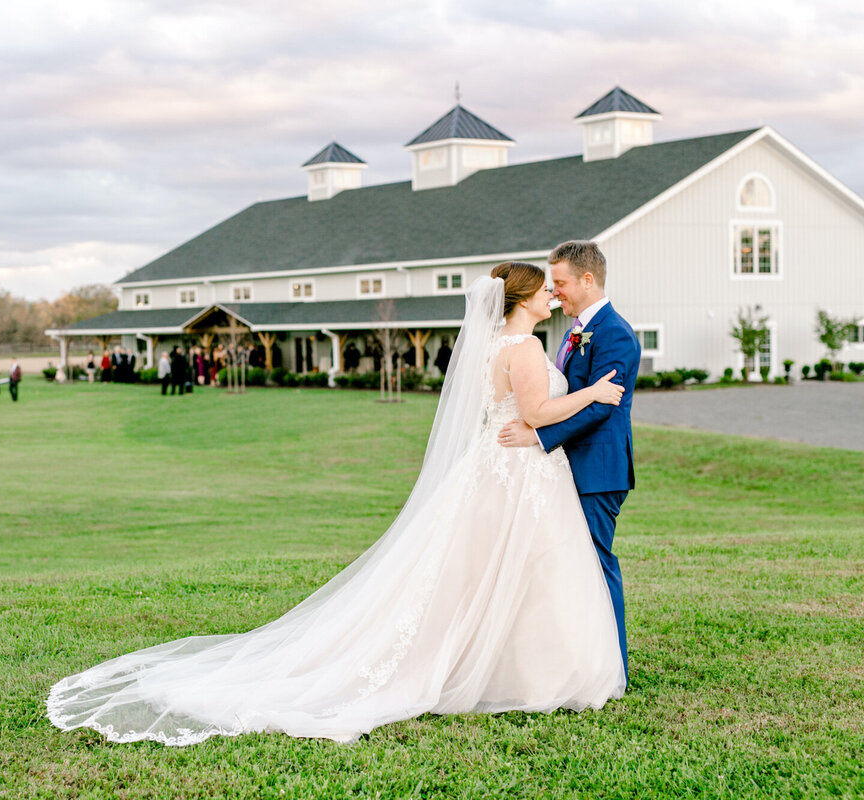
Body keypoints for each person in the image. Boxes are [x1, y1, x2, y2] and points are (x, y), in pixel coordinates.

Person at [47, 262, 627, 746]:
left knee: (496, 573)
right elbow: (535, 413)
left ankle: (513, 665)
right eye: (547, 290)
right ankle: (532, 671)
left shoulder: (495, 345)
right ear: (522, 299)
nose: (555, 297)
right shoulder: (522, 347)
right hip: (516, 470)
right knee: (522, 569)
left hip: (501, 467)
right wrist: (593, 393)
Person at [498, 240, 640, 684]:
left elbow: (603, 406)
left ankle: (611, 665)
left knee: (596, 565)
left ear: (587, 279)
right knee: (564, 567)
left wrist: (538, 434)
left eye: (559, 283)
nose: (555, 292)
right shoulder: (573, 330)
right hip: (560, 468)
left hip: (596, 470)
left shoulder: (615, 333)